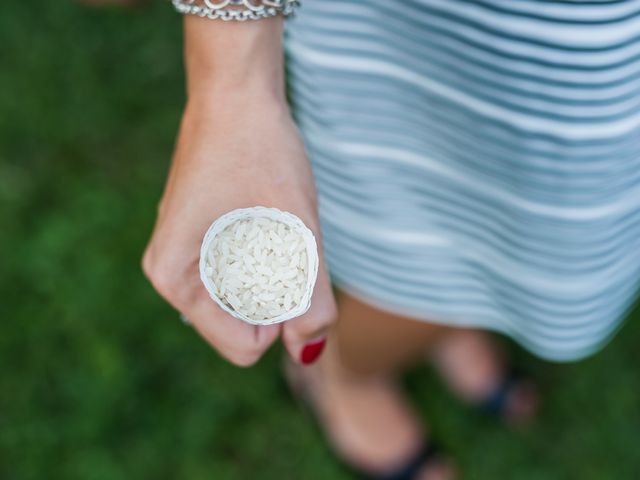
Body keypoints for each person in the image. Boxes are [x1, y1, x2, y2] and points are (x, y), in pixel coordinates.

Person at [141, 1, 640, 479]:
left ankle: (451, 313)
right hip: (415, 30)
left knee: (539, 256)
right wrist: (232, 82)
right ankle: (346, 375)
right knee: (396, 225)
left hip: (613, 74)